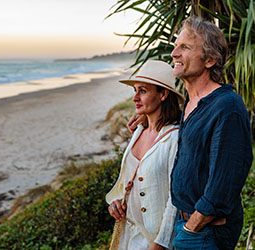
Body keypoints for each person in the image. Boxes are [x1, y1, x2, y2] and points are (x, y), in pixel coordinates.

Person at [169, 17, 253, 250]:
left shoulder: (227, 106)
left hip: (204, 232)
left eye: (185, 47)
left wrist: (193, 226)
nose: (174, 53)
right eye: (176, 45)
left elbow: (225, 180)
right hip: (185, 222)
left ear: (210, 60)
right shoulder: (192, 101)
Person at [106, 60, 184, 250]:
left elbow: (175, 198)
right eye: (135, 90)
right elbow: (130, 180)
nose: (135, 98)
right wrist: (116, 203)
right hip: (129, 234)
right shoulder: (139, 131)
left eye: (143, 91)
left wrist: (161, 243)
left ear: (163, 94)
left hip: (155, 241)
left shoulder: (174, 137)